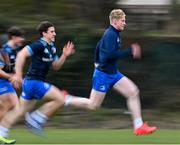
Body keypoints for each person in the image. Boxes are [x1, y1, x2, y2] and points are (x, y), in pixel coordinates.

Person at [64, 9, 157, 135]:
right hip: (103, 75)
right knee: (93, 105)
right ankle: (66, 99)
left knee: (133, 92)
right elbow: (107, 56)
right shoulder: (110, 34)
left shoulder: (113, 33)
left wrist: (96, 61)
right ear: (115, 21)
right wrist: (129, 51)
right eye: (123, 21)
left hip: (113, 73)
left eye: (125, 20)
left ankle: (138, 126)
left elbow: (99, 46)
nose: (125, 23)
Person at [0, 21, 75, 144]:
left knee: (18, 111)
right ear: (44, 33)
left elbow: (56, 66)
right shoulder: (38, 44)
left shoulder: (52, 47)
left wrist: (64, 55)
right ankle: (35, 119)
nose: (54, 34)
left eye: (54, 31)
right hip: (34, 82)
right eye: (52, 32)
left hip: (31, 84)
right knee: (60, 99)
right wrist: (18, 74)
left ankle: (0, 134)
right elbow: (21, 55)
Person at [0, 26, 25, 144]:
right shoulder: (4, 50)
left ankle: (1, 135)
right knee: (15, 107)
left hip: (6, 82)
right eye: (20, 37)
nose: (22, 39)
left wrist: (17, 78)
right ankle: (1, 135)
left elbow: (12, 69)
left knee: (6, 107)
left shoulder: (15, 50)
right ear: (14, 37)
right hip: (2, 82)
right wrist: (12, 77)